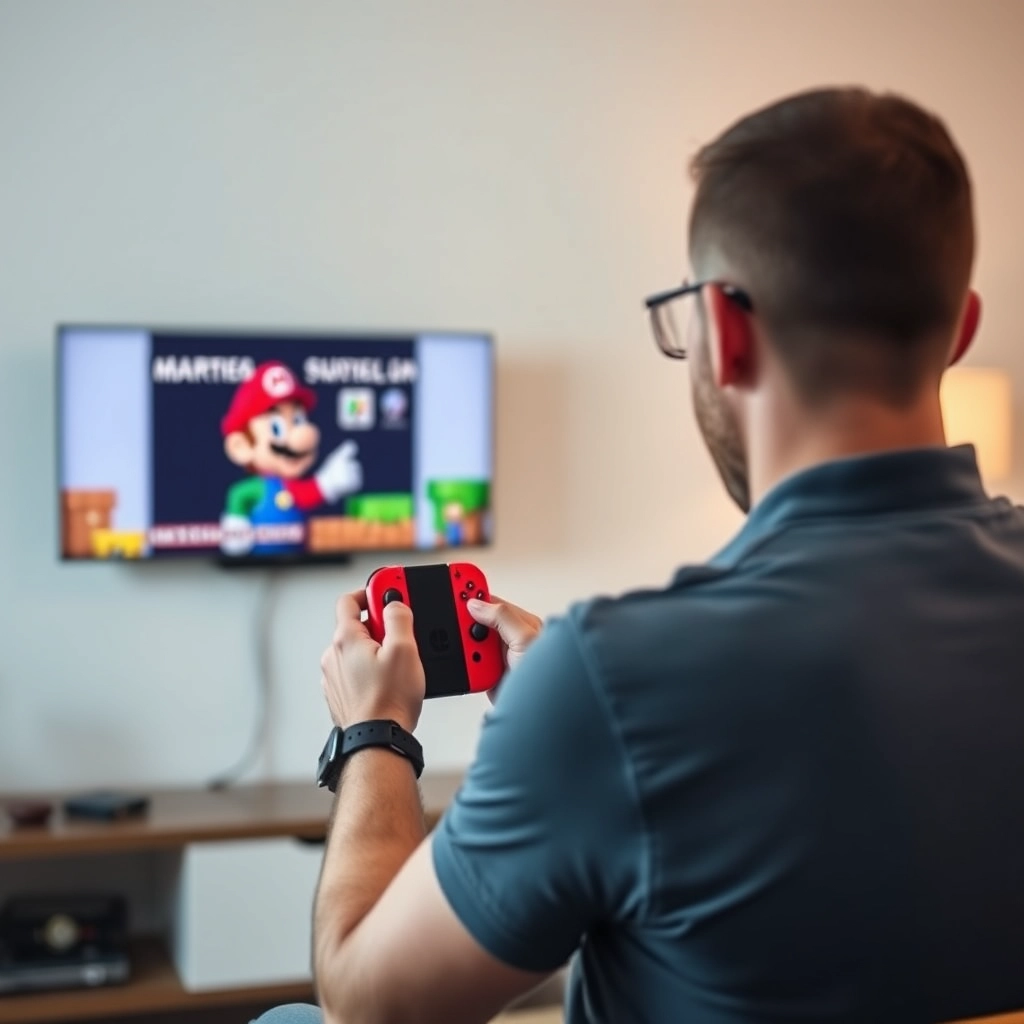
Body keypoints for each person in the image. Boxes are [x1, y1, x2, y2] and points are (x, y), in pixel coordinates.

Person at [258, 87, 1024, 1024]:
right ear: (961, 329)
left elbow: (368, 1000)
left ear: (723, 332)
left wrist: (375, 732)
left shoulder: (615, 678)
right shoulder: (604, 684)